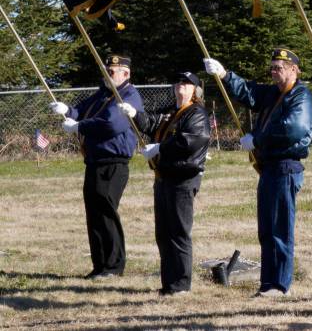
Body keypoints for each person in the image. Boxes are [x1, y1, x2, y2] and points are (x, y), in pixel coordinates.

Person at [204, 48, 312, 297]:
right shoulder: (273, 93)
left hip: (285, 165)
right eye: (273, 68)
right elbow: (250, 92)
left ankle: (279, 285)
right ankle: (267, 284)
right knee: (267, 230)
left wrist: (258, 139)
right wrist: (224, 75)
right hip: (270, 167)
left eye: (280, 68)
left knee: (280, 229)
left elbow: (293, 129)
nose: (275, 72)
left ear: (295, 69)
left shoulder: (300, 95)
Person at [117, 71, 211, 295]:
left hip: (183, 177)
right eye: (178, 81)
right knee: (164, 233)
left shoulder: (196, 113)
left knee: (178, 232)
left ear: (195, 90)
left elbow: (191, 139)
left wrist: (160, 147)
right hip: (164, 176)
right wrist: (135, 115)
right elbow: (152, 123)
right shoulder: (172, 112)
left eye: (187, 83)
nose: (181, 85)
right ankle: (169, 283)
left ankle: (180, 285)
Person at [49, 54, 141, 279]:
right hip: (94, 161)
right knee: (94, 214)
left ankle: (113, 266)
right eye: (106, 71)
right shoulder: (102, 93)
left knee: (106, 213)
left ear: (125, 74)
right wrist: (67, 111)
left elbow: (111, 125)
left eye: (112, 72)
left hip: (113, 162)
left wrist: (79, 126)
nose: (107, 76)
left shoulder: (129, 95)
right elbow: (81, 110)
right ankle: (100, 265)